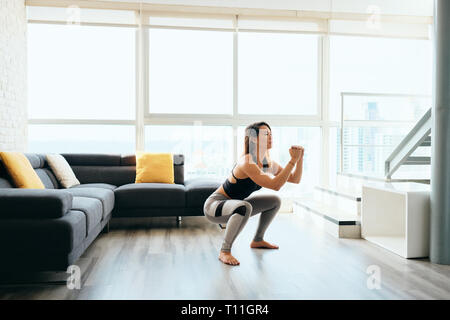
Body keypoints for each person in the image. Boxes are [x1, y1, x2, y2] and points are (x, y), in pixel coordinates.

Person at [203, 121, 304, 266]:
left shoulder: (267, 163)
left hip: (237, 206)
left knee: (274, 201)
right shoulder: (247, 162)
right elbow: (275, 185)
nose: (270, 137)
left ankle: (258, 240)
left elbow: (294, 179)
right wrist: (292, 160)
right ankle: (224, 251)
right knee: (244, 207)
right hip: (214, 206)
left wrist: (300, 159)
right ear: (253, 139)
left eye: (270, 133)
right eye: (265, 134)